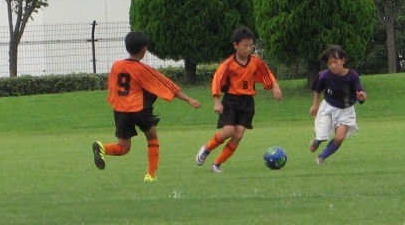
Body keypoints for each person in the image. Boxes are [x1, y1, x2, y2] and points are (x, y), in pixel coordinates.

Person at [92, 30, 200, 181]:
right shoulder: (143, 69)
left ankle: (102, 148)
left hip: (121, 110)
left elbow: (112, 86)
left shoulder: (116, 66)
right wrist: (188, 99)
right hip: (139, 108)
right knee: (152, 137)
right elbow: (166, 85)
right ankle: (151, 175)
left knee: (124, 147)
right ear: (144, 50)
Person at [195, 26, 283, 173]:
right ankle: (206, 149)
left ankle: (216, 164)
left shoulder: (256, 61)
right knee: (228, 131)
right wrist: (216, 101)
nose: (248, 49)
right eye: (245, 45)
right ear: (235, 45)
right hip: (231, 101)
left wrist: (275, 86)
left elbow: (267, 73)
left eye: (251, 45)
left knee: (238, 134)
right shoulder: (228, 64)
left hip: (247, 102)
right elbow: (217, 81)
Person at [308, 44, 367, 165]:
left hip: (346, 110)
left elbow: (359, 92)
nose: (332, 66)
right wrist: (315, 105)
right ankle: (318, 139)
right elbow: (317, 90)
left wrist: (361, 97)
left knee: (340, 137)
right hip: (328, 108)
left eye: (335, 62)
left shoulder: (352, 75)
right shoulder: (324, 75)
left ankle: (321, 157)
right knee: (322, 136)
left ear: (343, 61)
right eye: (329, 63)